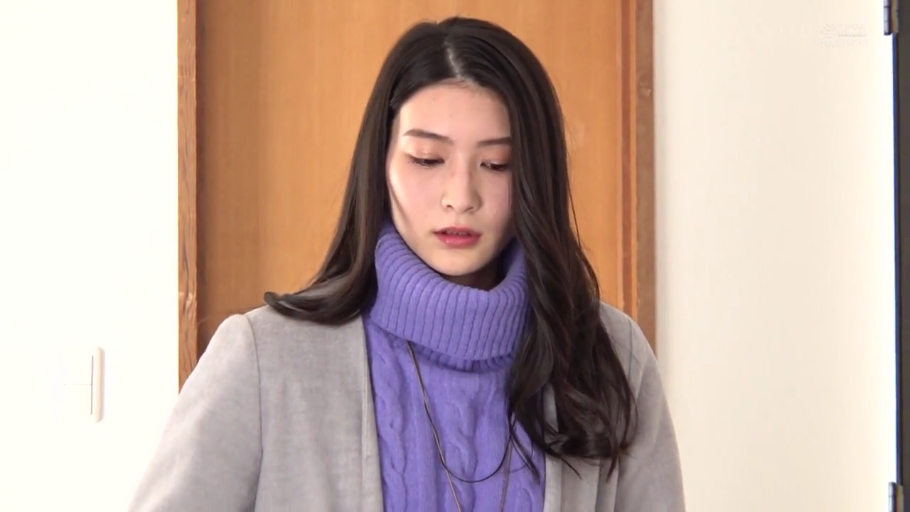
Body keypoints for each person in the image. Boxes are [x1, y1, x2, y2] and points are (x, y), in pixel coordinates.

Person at [129, 16, 685, 512]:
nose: (460, 196)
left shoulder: (612, 355)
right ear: (382, 164)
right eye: (427, 159)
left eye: (497, 164)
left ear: (536, 176)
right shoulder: (264, 358)